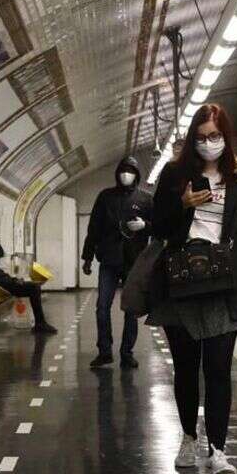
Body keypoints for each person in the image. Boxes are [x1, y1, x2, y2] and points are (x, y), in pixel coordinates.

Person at [149, 103, 237, 474]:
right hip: (181, 283)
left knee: (218, 369)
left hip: (224, 284)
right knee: (186, 368)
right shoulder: (173, 175)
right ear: (191, 139)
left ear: (225, 136)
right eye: (201, 137)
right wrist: (183, 207)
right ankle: (188, 436)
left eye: (214, 136)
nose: (208, 143)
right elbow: (160, 228)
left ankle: (218, 451)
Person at [82, 156, 152, 368]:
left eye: (130, 170)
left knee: (131, 309)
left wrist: (145, 226)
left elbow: (159, 226)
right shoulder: (105, 197)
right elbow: (93, 228)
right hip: (109, 260)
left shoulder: (146, 199)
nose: (126, 174)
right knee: (102, 307)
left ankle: (126, 353)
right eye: (123, 170)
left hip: (134, 261)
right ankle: (105, 351)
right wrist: (87, 257)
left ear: (137, 174)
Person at [0, 242, 57, 334]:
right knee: (34, 288)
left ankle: (40, 323)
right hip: (5, 287)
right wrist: (15, 281)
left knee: (33, 286)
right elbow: (0, 280)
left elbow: (1, 276)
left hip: (6, 284)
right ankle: (40, 323)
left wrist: (15, 280)